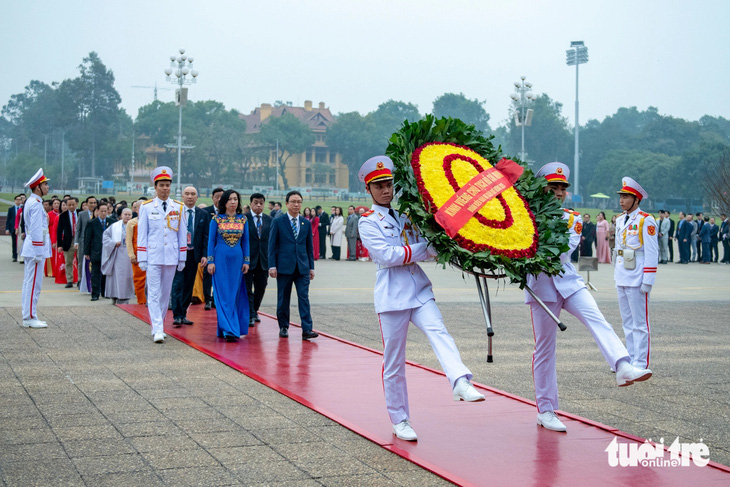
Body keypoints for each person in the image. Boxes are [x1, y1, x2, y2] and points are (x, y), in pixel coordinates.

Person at [357, 155, 484, 442]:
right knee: (394, 363)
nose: (386, 190)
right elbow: (387, 257)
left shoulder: (407, 216)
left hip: (419, 290)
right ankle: (400, 419)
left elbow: (432, 248)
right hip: (392, 297)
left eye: (389, 184)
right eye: (379, 186)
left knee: (439, 331)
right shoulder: (367, 222)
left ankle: (460, 381)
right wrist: (422, 249)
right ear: (369, 190)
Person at [528, 163, 652, 433]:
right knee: (545, 350)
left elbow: (560, 249)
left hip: (569, 283)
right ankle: (546, 410)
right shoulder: (523, 216)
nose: (559, 192)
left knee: (598, 319)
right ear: (542, 188)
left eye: (562, 188)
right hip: (541, 289)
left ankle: (622, 365)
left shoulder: (573, 219)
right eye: (553, 187)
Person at [137, 166, 188, 343]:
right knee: (153, 293)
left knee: (165, 294)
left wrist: (182, 257)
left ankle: (159, 326)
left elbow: (182, 234)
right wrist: (142, 257)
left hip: (171, 256)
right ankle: (157, 329)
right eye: (162, 185)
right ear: (155, 187)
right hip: (153, 255)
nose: (165, 188)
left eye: (168, 185)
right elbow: (142, 234)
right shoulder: (146, 207)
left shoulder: (178, 207)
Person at [614, 177, 659, 369]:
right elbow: (618, 249)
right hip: (622, 274)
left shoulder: (645, 220)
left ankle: (641, 362)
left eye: (626, 196)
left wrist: (648, 280)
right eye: (621, 196)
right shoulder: (619, 219)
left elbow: (652, 251)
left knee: (640, 324)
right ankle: (629, 358)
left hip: (638, 276)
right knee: (627, 322)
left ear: (636, 199)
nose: (622, 200)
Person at [268, 190, 318, 341]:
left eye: (299, 202)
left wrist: (311, 267)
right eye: (293, 202)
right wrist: (272, 266)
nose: (296, 205)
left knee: (304, 298)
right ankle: (283, 326)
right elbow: (272, 245)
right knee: (283, 298)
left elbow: (309, 247)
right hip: (284, 267)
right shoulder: (278, 222)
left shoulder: (305, 223)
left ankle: (307, 329)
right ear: (287, 204)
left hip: (302, 267)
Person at [207, 190, 250, 341]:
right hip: (220, 260)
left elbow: (246, 242)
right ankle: (229, 329)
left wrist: (246, 261)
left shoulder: (243, 219)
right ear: (224, 202)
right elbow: (211, 241)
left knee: (234, 294)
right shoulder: (216, 219)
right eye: (230, 199)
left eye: (236, 199)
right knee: (223, 294)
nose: (233, 202)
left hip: (237, 261)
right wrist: (210, 261)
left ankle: (227, 327)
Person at [172, 186, 210, 326]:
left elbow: (206, 236)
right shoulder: (176, 212)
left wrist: (205, 255)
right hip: (178, 254)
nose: (189, 196)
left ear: (197, 197)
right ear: (182, 196)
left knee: (189, 285)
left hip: (194, 255)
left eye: (193, 194)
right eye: (187, 194)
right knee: (177, 284)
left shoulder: (203, 214)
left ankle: (183, 314)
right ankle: (176, 315)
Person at [20, 169, 51, 328]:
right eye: (45, 184)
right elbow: (37, 230)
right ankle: (30, 317)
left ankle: (30, 314)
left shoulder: (32, 202)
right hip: (35, 249)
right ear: (38, 187)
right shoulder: (36, 204)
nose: (47, 187)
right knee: (33, 284)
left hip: (32, 248)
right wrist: (39, 252)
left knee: (29, 283)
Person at [245, 193, 272, 326]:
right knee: (247, 288)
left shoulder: (269, 220)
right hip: (247, 260)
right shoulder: (243, 219)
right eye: (256, 202)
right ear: (250, 204)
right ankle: (249, 314)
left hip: (263, 260)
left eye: (261, 202)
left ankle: (255, 309)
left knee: (261, 287)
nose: (258, 205)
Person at [102, 207, 135, 304]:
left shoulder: (136, 225)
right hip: (117, 253)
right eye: (126, 214)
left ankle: (125, 297)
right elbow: (105, 236)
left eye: (129, 215)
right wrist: (113, 243)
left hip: (130, 254)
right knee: (116, 276)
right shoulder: (115, 226)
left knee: (127, 276)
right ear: (121, 215)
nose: (128, 217)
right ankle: (115, 296)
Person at [202, 187, 224, 310]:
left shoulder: (228, 214)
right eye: (217, 197)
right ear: (213, 198)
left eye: (222, 197)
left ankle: (217, 299)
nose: (219, 199)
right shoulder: (206, 212)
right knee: (207, 274)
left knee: (221, 275)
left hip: (223, 249)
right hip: (208, 248)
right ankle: (207, 299)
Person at [84, 202, 109, 301]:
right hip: (96, 252)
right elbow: (88, 238)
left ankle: (105, 292)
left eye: (105, 211)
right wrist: (87, 252)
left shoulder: (111, 221)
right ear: (97, 211)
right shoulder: (92, 223)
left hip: (107, 253)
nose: (103, 213)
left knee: (105, 274)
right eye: (101, 211)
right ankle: (95, 294)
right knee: (95, 274)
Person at [125, 199, 147, 305]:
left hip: (151, 254)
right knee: (139, 280)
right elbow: (128, 240)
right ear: (136, 209)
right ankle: (142, 301)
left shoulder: (152, 220)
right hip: (137, 255)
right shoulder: (132, 223)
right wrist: (131, 255)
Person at [75, 196, 97, 294]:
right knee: (81, 262)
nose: (92, 205)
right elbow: (78, 229)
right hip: (84, 243)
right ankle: (81, 280)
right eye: (90, 203)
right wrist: (76, 241)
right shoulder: (82, 214)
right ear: (87, 204)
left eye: (94, 203)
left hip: (95, 243)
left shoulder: (98, 213)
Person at [56, 197, 79, 287]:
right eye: (69, 205)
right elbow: (59, 230)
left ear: (76, 204)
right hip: (68, 240)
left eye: (73, 204)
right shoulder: (63, 215)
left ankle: (80, 280)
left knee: (80, 261)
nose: (71, 206)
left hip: (79, 240)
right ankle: (69, 280)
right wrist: (60, 245)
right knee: (68, 262)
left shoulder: (81, 213)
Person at [5, 194, 23, 262]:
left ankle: (20, 255)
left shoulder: (22, 209)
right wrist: (7, 228)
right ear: (14, 201)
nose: (18, 201)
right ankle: (14, 256)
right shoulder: (11, 209)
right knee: (14, 242)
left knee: (20, 242)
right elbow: (8, 219)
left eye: (19, 200)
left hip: (21, 228)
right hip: (13, 228)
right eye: (17, 200)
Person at [46, 199, 61, 278]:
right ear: (52, 205)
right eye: (55, 203)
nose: (56, 205)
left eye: (58, 203)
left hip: (60, 236)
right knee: (51, 255)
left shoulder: (62, 215)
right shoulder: (49, 214)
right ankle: (51, 271)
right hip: (51, 235)